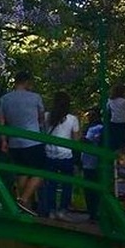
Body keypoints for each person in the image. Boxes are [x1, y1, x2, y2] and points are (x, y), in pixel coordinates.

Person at [0, 71, 46, 215]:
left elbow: (1, 122)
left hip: (14, 142)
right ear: (27, 82)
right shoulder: (35, 98)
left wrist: (4, 140)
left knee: (22, 173)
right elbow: (41, 119)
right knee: (40, 172)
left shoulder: (5, 99)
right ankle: (23, 200)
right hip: (33, 140)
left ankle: (25, 205)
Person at [42, 91, 81, 220]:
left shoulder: (47, 116)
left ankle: (51, 209)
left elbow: (42, 132)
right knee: (67, 183)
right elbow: (76, 141)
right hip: (66, 155)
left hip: (49, 153)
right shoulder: (72, 119)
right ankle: (63, 209)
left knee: (50, 184)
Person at [80, 108, 104, 220]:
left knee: (91, 189)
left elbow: (87, 142)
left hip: (92, 162)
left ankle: (94, 212)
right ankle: (93, 212)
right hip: (89, 161)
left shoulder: (97, 128)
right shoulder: (98, 128)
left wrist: (81, 137)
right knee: (92, 188)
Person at [106, 84, 125, 150]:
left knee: (116, 139)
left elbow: (107, 109)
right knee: (124, 140)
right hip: (123, 122)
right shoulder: (124, 101)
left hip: (114, 122)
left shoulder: (110, 101)